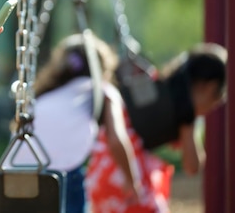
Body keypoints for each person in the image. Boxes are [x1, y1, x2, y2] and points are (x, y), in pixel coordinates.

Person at [85, 43, 227, 213]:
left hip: (102, 169)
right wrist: (191, 121)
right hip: (126, 174)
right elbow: (192, 166)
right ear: (209, 87)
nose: (212, 107)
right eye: (217, 98)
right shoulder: (185, 113)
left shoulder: (157, 86)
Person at [14, 33, 142, 213]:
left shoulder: (47, 94)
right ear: (104, 67)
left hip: (17, 172)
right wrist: (132, 179)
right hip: (61, 174)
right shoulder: (104, 91)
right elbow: (116, 139)